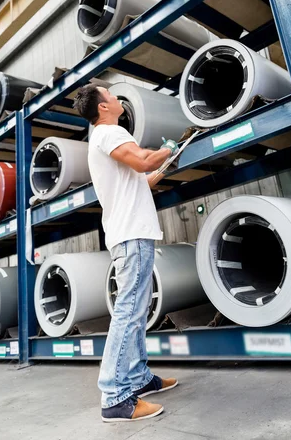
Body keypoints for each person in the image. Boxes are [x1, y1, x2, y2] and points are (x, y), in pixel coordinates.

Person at [74, 83, 179, 423]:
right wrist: (166, 150)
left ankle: (137, 379)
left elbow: (141, 179)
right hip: (131, 236)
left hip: (132, 234)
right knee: (129, 313)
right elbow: (141, 161)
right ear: (103, 108)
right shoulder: (109, 132)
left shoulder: (103, 138)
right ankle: (116, 396)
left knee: (135, 311)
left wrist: (163, 166)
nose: (118, 98)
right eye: (111, 95)